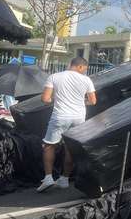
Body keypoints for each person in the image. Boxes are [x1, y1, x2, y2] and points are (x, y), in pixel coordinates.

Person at [37, 57, 96, 192]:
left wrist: (55, 100)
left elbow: (45, 99)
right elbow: (93, 101)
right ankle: (64, 179)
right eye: (85, 69)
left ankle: (48, 178)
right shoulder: (87, 80)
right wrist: (80, 102)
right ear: (80, 67)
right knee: (71, 147)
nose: (84, 71)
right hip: (79, 118)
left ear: (71, 64)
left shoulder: (54, 77)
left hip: (60, 116)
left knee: (49, 146)